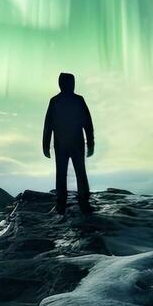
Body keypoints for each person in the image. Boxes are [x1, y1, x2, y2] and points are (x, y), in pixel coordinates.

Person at [42, 72, 95, 213]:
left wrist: (46, 145)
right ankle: (69, 201)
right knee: (73, 172)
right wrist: (90, 143)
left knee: (72, 172)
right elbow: (88, 124)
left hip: (67, 144)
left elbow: (87, 123)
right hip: (68, 144)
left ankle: (71, 201)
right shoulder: (66, 101)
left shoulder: (61, 101)